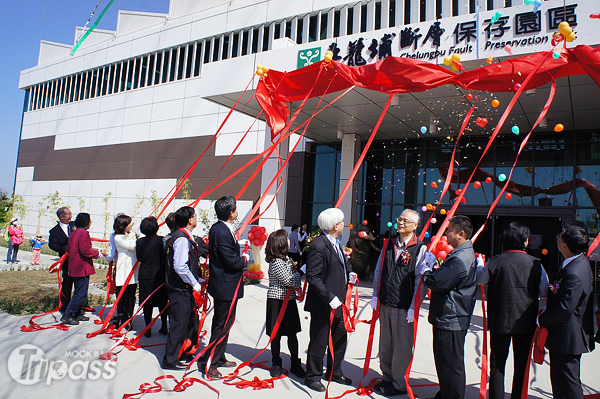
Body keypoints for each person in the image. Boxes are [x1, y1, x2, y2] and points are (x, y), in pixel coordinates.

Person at [371, 209, 436, 396]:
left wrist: (414, 306)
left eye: (406, 221)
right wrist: (376, 294)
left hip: (404, 306)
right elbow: (378, 270)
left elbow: (420, 280)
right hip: (385, 302)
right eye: (400, 219)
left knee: (402, 346)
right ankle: (387, 377)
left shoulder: (420, 249)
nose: (401, 223)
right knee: (386, 343)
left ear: (415, 226)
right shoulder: (388, 244)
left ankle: (399, 383)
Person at [483, 222, 548, 399]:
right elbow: (544, 291)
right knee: (521, 366)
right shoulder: (535, 264)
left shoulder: (494, 261)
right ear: (525, 241)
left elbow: (480, 280)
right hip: (525, 322)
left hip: (499, 321)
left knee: (497, 364)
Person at [422, 215, 478, 399]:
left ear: (461, 234)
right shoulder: (461, 253)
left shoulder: (460, 258)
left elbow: (437, 282)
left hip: (451, 317)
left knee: (451, 364)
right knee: (446, 362)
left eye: (450, 230)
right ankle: (445, 394)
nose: (446, 234)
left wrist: (427, 271)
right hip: (451, 315)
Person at [538, 226, 595, 399]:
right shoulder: (575, 263)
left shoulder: (575, 272)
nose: (557, 239)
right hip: (565, 335)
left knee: (568, 385)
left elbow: (565, 307)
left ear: (564, 246)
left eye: (559, 237)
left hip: (568, 337)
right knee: (562, 382)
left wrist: (541, 320)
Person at [304, 208, 357, 392]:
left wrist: (349, 273)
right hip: (324, 304)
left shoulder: (336, 243)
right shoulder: (318, 246)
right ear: (336, 226)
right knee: (319, 341)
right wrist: (329, 297)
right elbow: (313, 277)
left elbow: (340, 267)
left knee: (339, 339)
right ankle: (313, 375)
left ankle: (335, 371)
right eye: (342, 221)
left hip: (340, 302)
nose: (344, 223)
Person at [198, 196, 248, 378]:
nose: (236, 212)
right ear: (230, 212)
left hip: (225, 284)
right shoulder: (222, 231)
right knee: (221, 324)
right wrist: (244, 259)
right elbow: (231, 261)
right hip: (225, 285)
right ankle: (210, 362)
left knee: (224, 323)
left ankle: (219, 356)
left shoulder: (220, 228)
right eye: (235, 209)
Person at [163, 206, 205, 370]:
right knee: (178, 324)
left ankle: (184, 352)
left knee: (188, 323)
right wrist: (194, 283)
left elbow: (188, 264)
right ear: (189, 220)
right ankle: (170, 359)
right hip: (180, 289)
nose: (196, 218)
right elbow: (180, 266)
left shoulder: (184, 237)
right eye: (195, 216)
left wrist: (198, 279)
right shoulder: (181, 238)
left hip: (184, 287)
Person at [264, 229, 306, 378]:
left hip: (289, 301)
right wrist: (300, 272)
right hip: (277, 301)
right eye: (287, 239)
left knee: (292, 333)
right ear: (281, 244)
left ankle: (295, 362)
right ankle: (276, 362)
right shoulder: (276, 262)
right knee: (276, 334)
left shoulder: (286, 259)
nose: (289, 241)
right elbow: (290, 280)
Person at [61, 213, 99, 325]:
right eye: (90, 221)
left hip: (74, 266)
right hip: (82, 267)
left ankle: (76, 313)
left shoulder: (74, 233)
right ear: (86, 222)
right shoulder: (83, 234)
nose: (91, 223)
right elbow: (85, 250)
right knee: (80, 293)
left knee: (79, 291)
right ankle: (68, 314)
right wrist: (97, 254)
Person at [136, 216, 168, 337]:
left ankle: (148, 328)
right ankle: (164, 326)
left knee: (147, 303)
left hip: (145, 275)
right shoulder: (161, 240)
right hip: (159, 274)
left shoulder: (139, 242)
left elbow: (139, 258)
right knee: (162, 302)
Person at [48, 207, 76, 313]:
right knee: (67, 283)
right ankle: (65, 306)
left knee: (80, 284)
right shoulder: (55, 231)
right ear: (61, 217)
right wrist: (65, 248)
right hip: (66, 261)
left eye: (71, 213)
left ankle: (80, 305)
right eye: (68, 214)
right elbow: (53, 245)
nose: (70, 216)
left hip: (78, 259)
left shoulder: (75, 225)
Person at [113, 214, 138, 328]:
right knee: (122, 296)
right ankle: (120, 317)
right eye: (128, 224)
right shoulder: (117, 238)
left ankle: (129, 318)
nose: (131, 225)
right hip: (123, 270)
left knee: (131, 295)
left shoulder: (132, 234)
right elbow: (132, 246)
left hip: (133, 268)